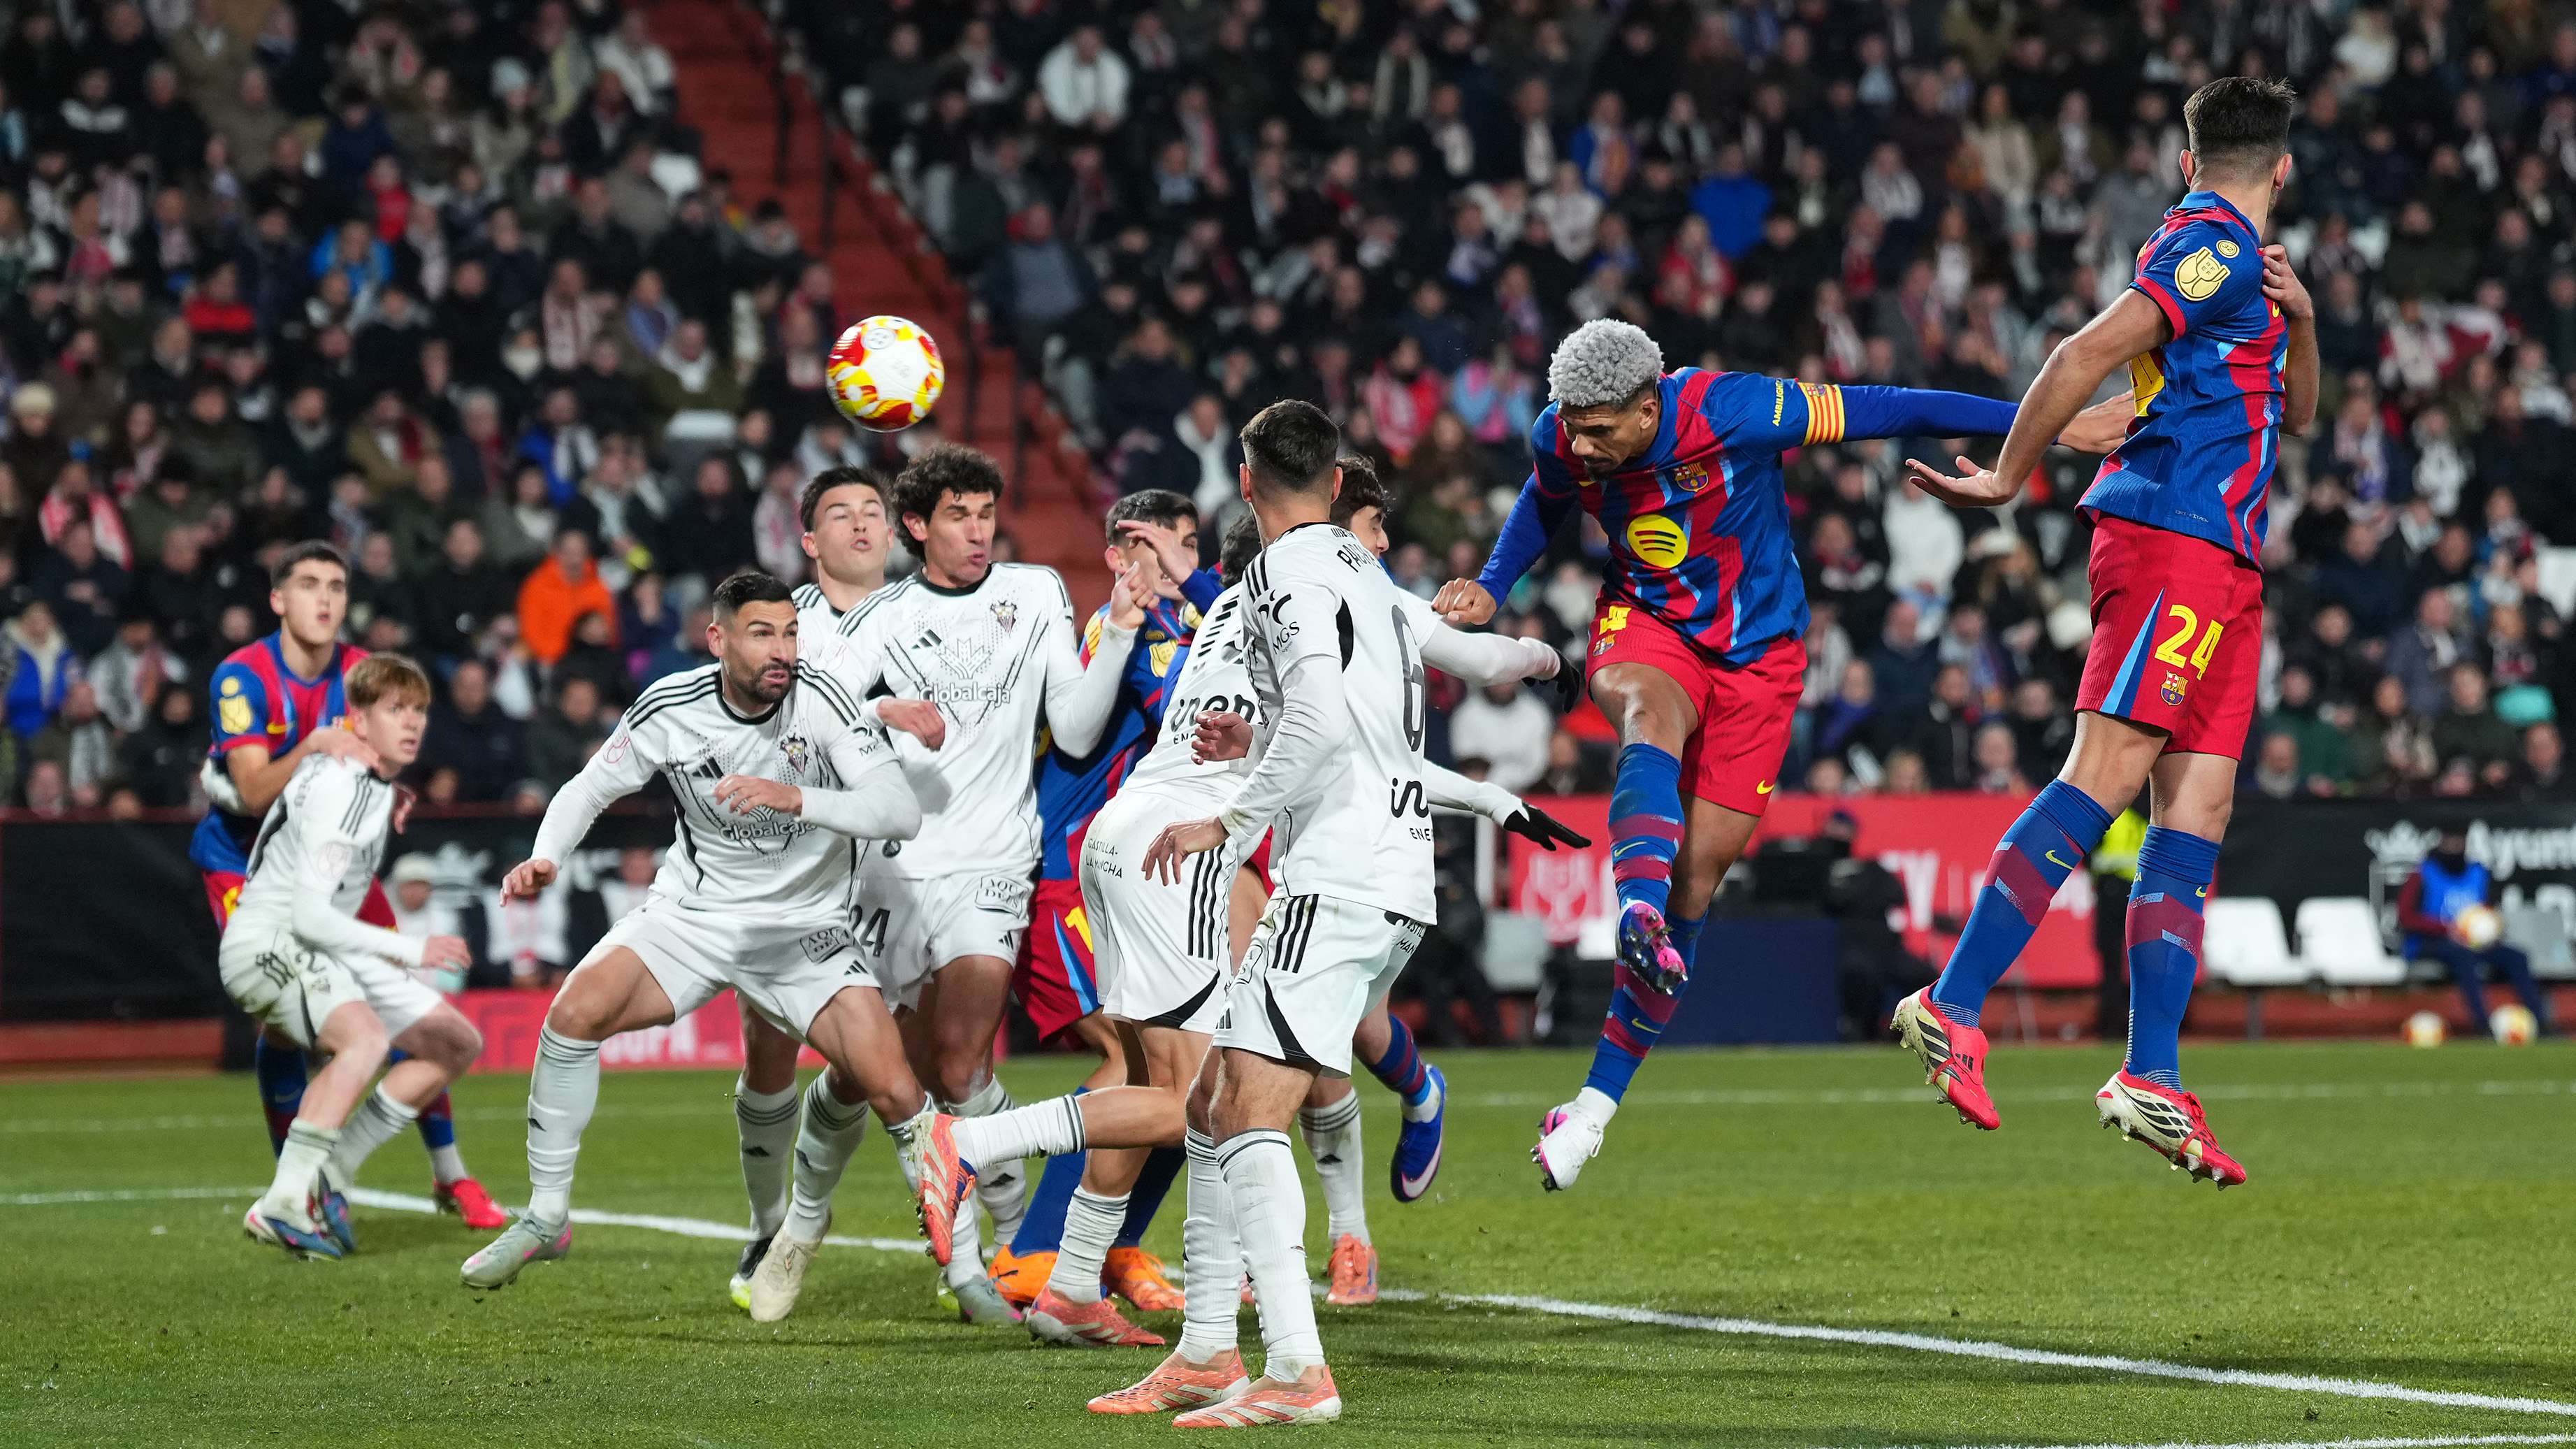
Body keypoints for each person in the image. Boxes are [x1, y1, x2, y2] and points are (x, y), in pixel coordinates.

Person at [918, 403, 1579, 1425]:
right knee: (1221, 1095)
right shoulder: (1366, 580)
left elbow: (1311, 711)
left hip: (1331, 874)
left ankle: (1294, 1370)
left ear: (1246, 474)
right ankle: (1204, 1350)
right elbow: (1490, 663)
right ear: (1340, 495)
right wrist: (1552, 663)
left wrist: (1232, 825)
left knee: (1242, 1107)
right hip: (1387, 876)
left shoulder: (1283, 574)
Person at [1429, 319, 2127, 1192]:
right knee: (1647, 716)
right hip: (1646, 624)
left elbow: (1893, 406)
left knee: (1701, 874)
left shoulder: (1736, 407)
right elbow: (1544, 497)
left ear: (1649, 406)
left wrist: (2048, 422)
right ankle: (1634, 913)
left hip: (1761, 658)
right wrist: (1493, 586)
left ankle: (1592, 1109)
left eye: (1598, 429)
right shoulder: (1561, 434)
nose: (1579, 443)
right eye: (1569, 425)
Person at [1893, 78, 2317, 1189]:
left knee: (2199, 802)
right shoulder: (2208, 247)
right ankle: (1949, 1001)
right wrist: (2004, 482)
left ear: (2191, 158)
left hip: (2225, 558)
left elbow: (2264, 411)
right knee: (2110, 768)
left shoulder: (2250, 277)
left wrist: (2307, 318)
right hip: (2172, 540)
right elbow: (2083, 351)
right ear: (2281, 167)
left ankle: (2150, 1074)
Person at [459, 569, 948, 1295]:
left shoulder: (824, 699)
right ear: (717, 639)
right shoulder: (671, 706)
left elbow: (898, 814)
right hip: (693, 918)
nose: (782, 648)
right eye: (762, 633)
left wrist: (794, 797)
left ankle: (965, 1271)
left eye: (789, 631)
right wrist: (544, 855)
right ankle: (547, 1215)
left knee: (887, 1090)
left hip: (802, 927)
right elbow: (589, 787)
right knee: (573, 1013)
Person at [824, 444, 1147, 1315]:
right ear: (917, 528)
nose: (978, 531)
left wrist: (1115, 631)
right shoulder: (881, 619)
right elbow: (818, 717)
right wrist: (886, 709)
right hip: (895, 870)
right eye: (957, 516)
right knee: (909, 1075)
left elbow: (1076, 731)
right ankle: (994, 1234)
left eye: (984, 513)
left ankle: (1009, 1253)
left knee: (964, 1060)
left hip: (997, 859)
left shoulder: (1035, 591)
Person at [189, 541, 503, 1230]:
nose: (325, 600)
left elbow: (384, 755)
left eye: (335, 586)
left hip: (338, 862)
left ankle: (448, 1173)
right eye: (307, 585)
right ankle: (300, 1190)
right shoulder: (241, 678)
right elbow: (249, 792)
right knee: (292, 1022)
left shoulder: (363, 672)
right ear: (278, 600)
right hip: (249, 863)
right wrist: (315, 747)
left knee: (413, 1009)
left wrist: (383, 792)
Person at [988, 487, 1217, 1326]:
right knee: (1144, 1071)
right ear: (1124, 556)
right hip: (1069, 882)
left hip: (1121, 884)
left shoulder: (1169, 627)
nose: (1186, 563)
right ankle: (1039, 1258)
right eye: (1169, 547)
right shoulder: (1132, 634)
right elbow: (1194, 715)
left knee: (1188, 1076)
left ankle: (1104, 1249)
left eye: (1194, 544)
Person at [220, 654, 484, 1259]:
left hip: (317, 942)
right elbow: (310, 913)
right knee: (363, 1041)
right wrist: (412, 947)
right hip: (270, 940)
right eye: (394, 710)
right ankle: (285, 1200)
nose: (412, 722)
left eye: (418, 709)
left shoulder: (364, 783)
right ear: (357, 722)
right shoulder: (347, 785)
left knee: (454, 1043)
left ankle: (330, 1173)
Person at [723, 466, 899, 1312]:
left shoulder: (925, 613)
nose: (862, 525)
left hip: (907, 866)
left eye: (874, 510)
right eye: (841, 513)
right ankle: (766, 1226)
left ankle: (810, 1220)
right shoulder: (781, 628)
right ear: (806, 539)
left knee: (882, 1063)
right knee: (765, 1042)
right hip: (797, 864)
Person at [2397, 828, 2553, 1036]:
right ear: (2440, 843)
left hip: (2474, 943)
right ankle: (2482, 1025)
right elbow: (2406, 918)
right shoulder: (2423, 874)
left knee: (2517, 956)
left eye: (2459, 842)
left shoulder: (2478, 873)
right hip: (2431, 943)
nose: (2454, 847)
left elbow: (2490, 913)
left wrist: (2490, 931)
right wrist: (2447, 929)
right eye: (2450, 842)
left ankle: (2541, 1022)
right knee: (2464, 956)